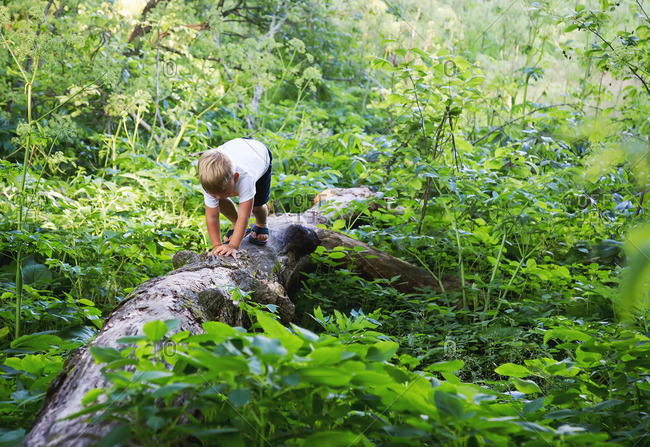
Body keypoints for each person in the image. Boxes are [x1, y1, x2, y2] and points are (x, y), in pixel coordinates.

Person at [197, 137, 272, 259]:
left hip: (259, 155)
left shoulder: (246, 178)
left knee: (257, 206)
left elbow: (244, 215)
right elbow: (212, 216)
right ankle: (235, 223)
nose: (218, 196)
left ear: (235, 177)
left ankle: (262, 223)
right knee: (219, 201)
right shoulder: (209, 182)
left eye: (223, 191)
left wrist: (232, 246)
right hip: (236, 148)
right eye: (213, 193)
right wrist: (217, 246)